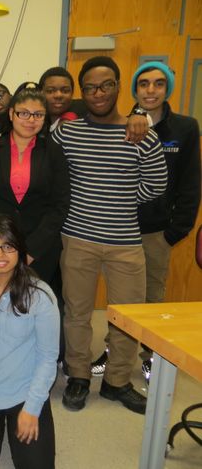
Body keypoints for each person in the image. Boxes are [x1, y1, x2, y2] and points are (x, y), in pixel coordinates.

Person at [52, 56, 167, 414]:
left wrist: (119, 199)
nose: (98, 93)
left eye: (105, 86)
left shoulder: (141, 134)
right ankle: (79, 376)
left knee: (128, 316)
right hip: (78, 237)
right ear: (81, 93)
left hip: (125, 241)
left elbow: (157, 184)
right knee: (77, 313)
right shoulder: (66, 131)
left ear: (119, 87)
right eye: (89, 87)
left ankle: (117, 381)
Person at [92, 62, 201, 382]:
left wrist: (176, 230)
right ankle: (113, 350)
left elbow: (190, 182)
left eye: (157, 84)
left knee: (152, 298)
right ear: (135, 89)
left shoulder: (185, 128)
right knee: (121, 300)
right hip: (121, 229)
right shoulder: (125, 123)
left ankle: (150, 355)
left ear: (167, 89)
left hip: (156, 232)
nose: (150, 90)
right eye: (143, 84)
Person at [0, 214, 59, 469]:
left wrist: (33, 407)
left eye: (8, 246)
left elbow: (48, 358)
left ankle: (19, 417)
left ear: (19, 249)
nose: (0, 254)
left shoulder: (41, 296)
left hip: (23, 390)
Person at [0, 88, 70, 288]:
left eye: (38, 114)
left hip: (41, 249)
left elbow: (59, 205)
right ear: (11, 114)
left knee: (36, 305)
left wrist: (31, 250)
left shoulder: (53, 152)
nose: (30, 120)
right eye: (23, 113)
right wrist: (4, 244)